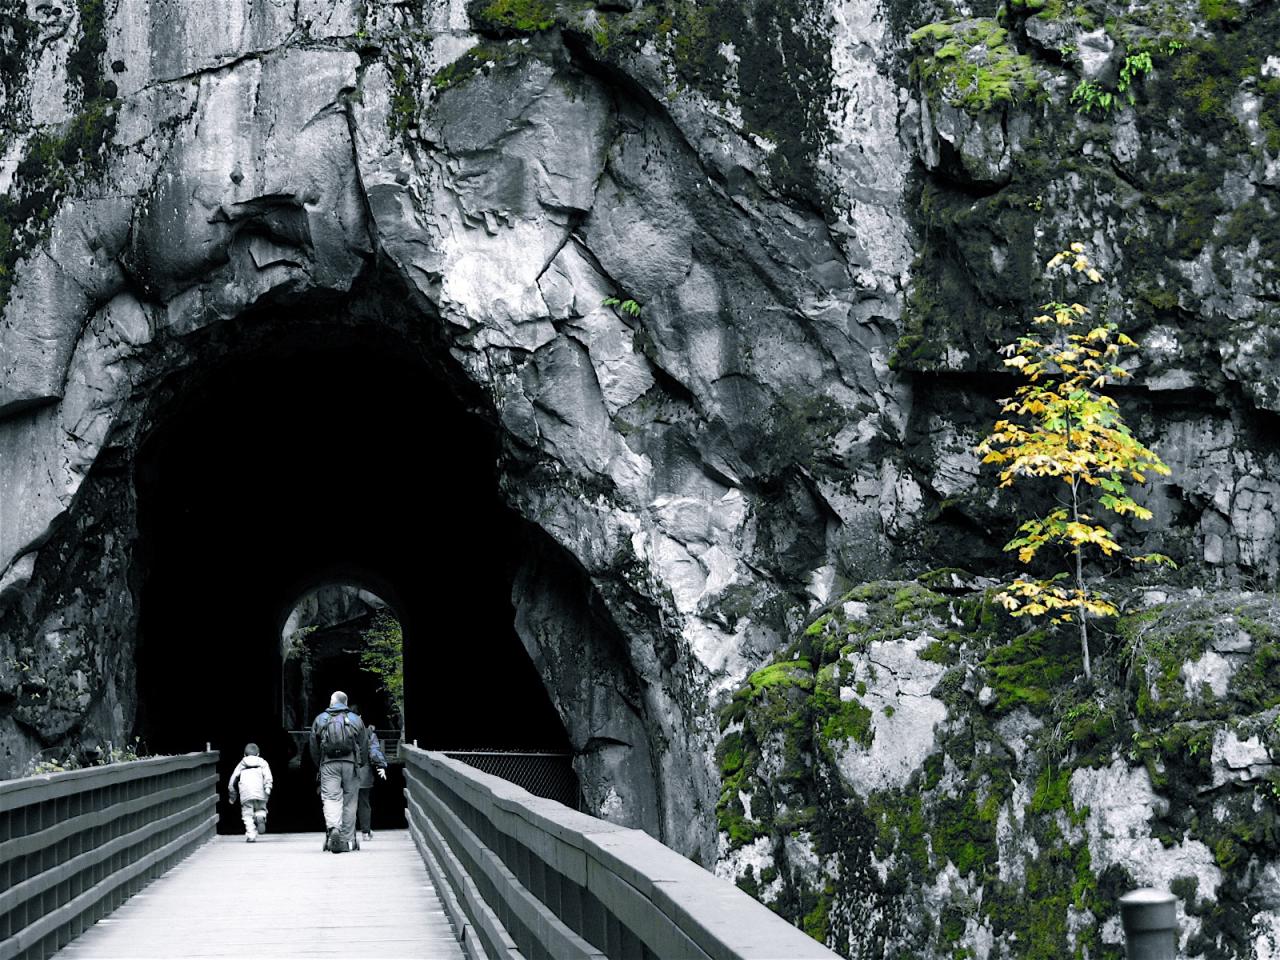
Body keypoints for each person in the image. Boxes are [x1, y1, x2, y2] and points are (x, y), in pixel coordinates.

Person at [308, 690, 369, 853]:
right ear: (346, 703)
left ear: (332, 702)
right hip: (350, 763)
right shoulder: (355, 719)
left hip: (328, 764)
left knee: (330, 798)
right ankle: (348, 840)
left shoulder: (321, 718)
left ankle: (334, 828)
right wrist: (360, 763)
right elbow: (364, 745)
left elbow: (313, 746)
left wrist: (319, 764)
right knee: (350, 801)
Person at [350, 705, 388, 840]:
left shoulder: (341, 732)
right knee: (363, 802)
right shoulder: (368, 733)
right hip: (363, 773)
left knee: (346, 803)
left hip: (346, 772)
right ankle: (365, 833)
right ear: (360, 717)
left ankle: (348, 833)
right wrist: (381, 766)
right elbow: (374, 752)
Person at [228, 743, 273, 842]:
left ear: (244, 754)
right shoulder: (263, 763)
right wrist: (268, 787)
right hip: (260, 791)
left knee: (247, 814)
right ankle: (260, 816)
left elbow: (233, 778)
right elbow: (268, 775)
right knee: (261, 808)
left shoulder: (242, 764)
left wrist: (232, 792)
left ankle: (251, 835)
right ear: (258, 754)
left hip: (246, 792)